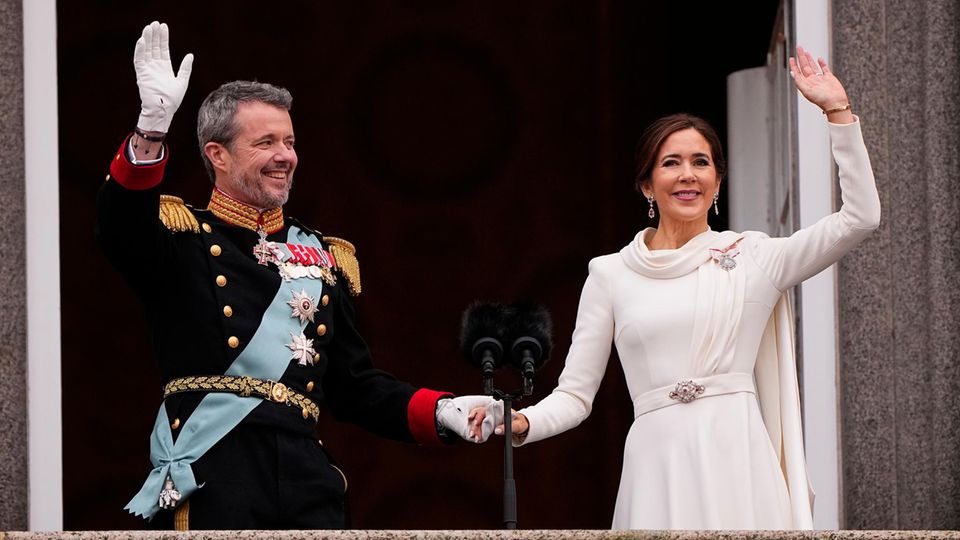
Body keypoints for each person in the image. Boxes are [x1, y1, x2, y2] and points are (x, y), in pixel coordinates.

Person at [97, 21, 491, 530]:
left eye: (290, 141)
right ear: (218, 154)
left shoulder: (323, 256)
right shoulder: (181, 239)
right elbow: (119, 227)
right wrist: (151, 129)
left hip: (307, 481)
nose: (286, 156)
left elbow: (355, 385)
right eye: (266, 142)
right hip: (214, 473)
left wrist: (442, 410)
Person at [472, 46, 881, 529]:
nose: (687, 174)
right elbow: (576, 397)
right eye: (671, 163)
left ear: (717, 181)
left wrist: (838, 113)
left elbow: (860, 218)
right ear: (647, 185)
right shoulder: (610, 274)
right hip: (656, 465)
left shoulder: (755, 257)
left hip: (738, 459)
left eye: (701, 162)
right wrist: (520, 421)